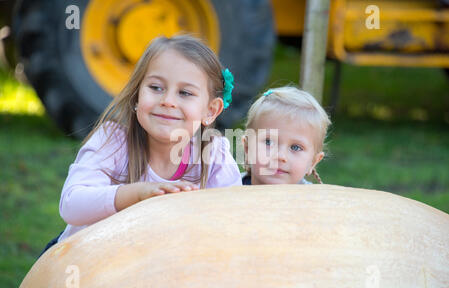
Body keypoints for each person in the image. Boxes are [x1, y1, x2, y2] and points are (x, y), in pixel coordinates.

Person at [38, 35, 242, 257]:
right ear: (137, 95)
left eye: (185, 93)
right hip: (85, 265)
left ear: (210, 111)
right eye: (156, 87)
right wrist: (137, 195)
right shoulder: (113, 142)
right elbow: (72, 205)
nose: (168, 101)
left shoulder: (213, 154)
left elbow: (232, 223)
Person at [241, 86, 331, 185]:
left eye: (295, 147)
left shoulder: (315, 199)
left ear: (312, 162)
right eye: (268, 142)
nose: (280, 156)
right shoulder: (228, 190)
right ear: (247, 148)